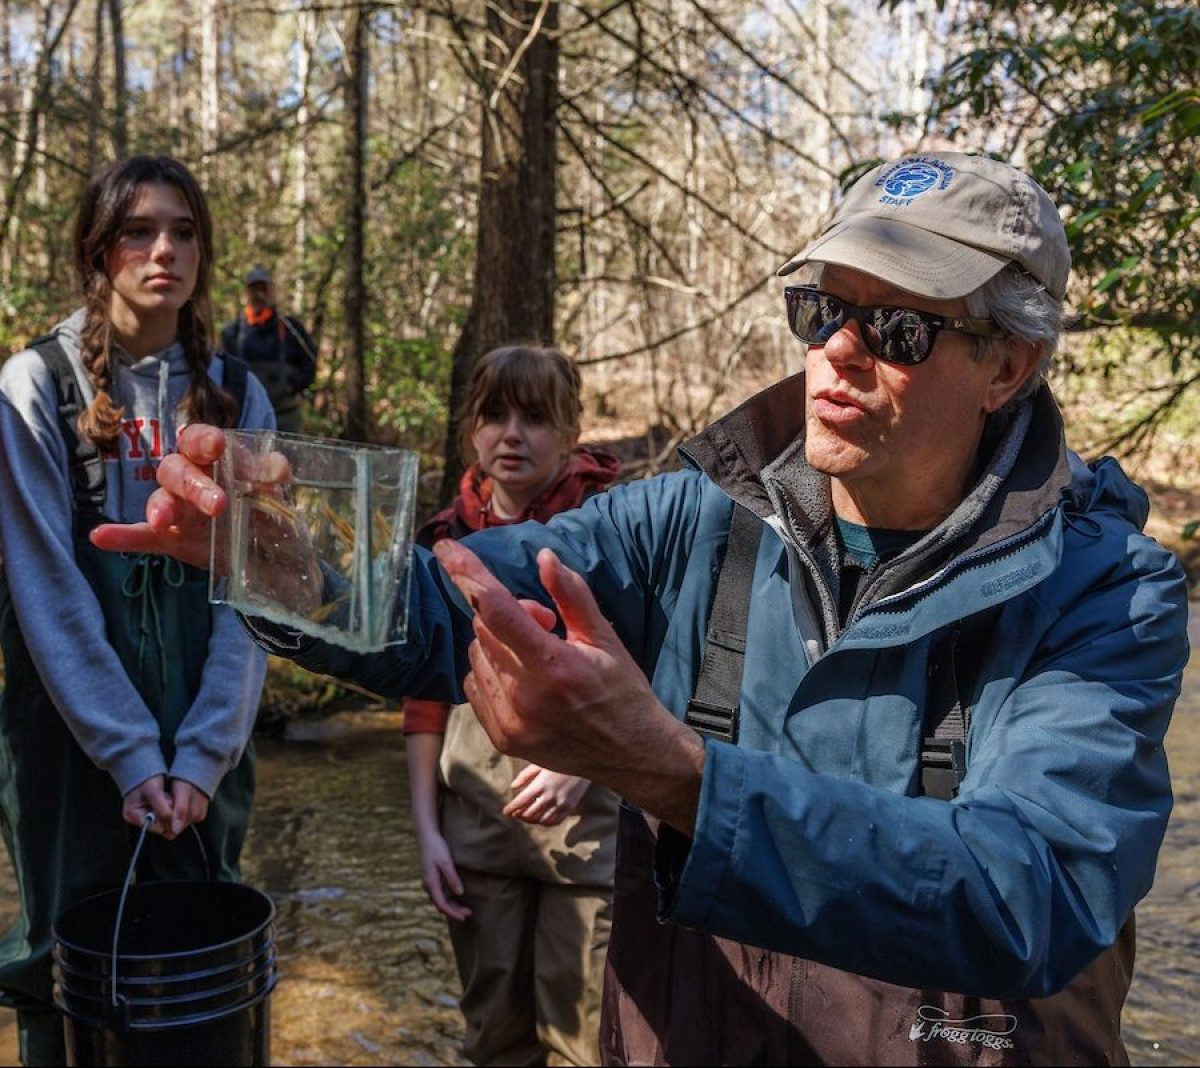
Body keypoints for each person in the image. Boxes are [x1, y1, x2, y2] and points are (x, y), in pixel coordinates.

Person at [92, 152, 1190, 1065]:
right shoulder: (689, 520)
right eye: (822, 310)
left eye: (900, 329)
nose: (839, 353)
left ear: (1009, 366)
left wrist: (674, 777)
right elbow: (448, 604)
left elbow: (1027, 890)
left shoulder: (1108, 593)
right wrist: (280, 559)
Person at [0, 155, 275, 1066]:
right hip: (69, 747)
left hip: (208, 739)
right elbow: (46, 590)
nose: (167, 249)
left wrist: (201, 756)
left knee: (206, 958)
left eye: (185, 230)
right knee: (62, 968)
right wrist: (125, 752)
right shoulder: (35, 387)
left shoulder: (238, 396)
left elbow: (253, 596)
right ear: (98, 248)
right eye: (140, 231)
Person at [405, 343, 622, 1066]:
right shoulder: (445, 541)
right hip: (477, 830)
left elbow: (652, 678)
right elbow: (424, 701)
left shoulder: (618, 534)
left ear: (570, 434)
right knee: (492, 1037)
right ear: (471, 432)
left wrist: (585, 762)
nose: (511, 435)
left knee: (586, 1041)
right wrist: (427, 830)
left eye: (535, 418)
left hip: (588, 836)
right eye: (494, 416)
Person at [220, 265, 316, 433]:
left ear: (272, 291)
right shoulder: (231, 332)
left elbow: (310, 362)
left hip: (285, 417)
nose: (259, 295)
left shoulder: (291, 328)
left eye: (263, 288)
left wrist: (293, 385)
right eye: (254, 289)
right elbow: (221, 372)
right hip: (245, 418)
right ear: (246, 292)